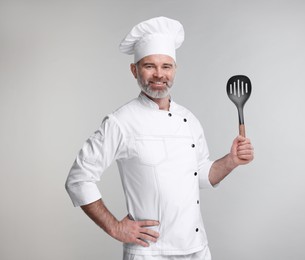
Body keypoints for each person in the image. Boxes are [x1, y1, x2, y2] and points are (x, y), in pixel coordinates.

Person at [65, 16, 254, 260]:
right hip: (150, 253)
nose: (159, 74)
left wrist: (231, 160)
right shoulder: (121, 121)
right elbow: (79, 179)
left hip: (197, 248)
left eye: (166, 66)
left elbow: (201, 175)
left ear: (175, 70)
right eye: (149, 66)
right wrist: (115, 227)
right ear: (134, 70)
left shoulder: (189, 120)